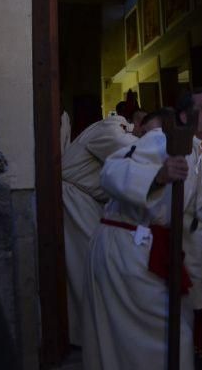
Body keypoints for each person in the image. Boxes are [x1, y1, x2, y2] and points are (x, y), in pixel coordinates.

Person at [82, 91, 202, 370]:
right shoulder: (161, 140)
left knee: (174, 335)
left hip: (153, 252)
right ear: (184, 116)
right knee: (159, 340)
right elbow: (111, 171)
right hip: (126, 248)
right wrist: (157, 176)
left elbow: (194, 228)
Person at [60, 108, 138, 346]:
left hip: (84, 202)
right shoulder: (111, 128)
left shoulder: (118, 130)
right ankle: (87, 334)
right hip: (75, 202)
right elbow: (134, 155)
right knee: (83, 265)